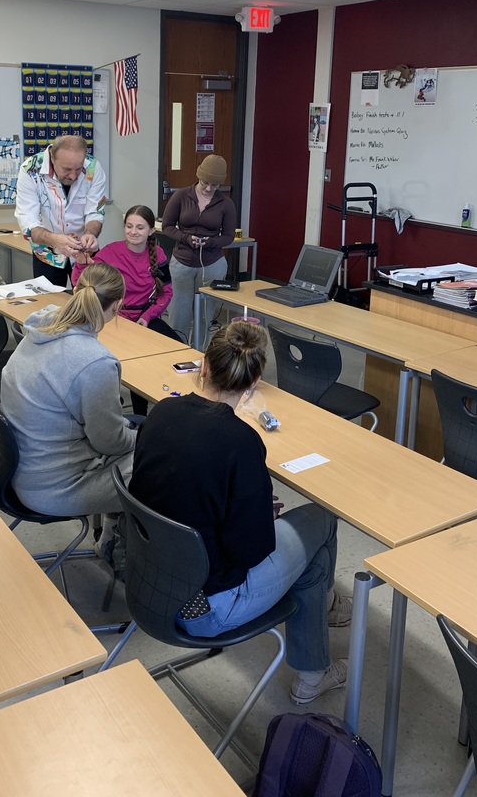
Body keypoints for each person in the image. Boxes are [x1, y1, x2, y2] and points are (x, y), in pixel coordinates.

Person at [130, 321, 351, 706]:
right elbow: (250, 551)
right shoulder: (242, 441)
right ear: (255, 382)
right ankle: (315, 665)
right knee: (321, 521)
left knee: (308, 554)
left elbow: (168, 490)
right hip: (207, 607)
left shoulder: (163, 411)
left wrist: (244, 507)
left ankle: (322, 639)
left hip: (151, 579)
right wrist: (258, 515)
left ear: (203, 366)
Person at [0, 263, 137, 557]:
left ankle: (110, 533)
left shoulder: (41, 325)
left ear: (76, 291)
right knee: (162, 463)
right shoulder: (95, 362)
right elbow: (110, 442)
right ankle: (125, 551)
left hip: (22, 470)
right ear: (117, 307)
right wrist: (144, 437)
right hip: (54, 488)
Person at [71, 204, 179, 415]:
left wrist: (147, 317)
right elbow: (82, 284)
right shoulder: (111, 252)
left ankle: (168, 403)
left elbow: (166, 294)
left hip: (145, 316)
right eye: (129, 226)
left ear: (151, 231)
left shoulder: (158, 254)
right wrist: (81, 264)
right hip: (116, 318)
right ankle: (140, 414)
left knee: (177, 348)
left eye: (140, 227)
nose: (133, 232)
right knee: (136, 364)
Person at [15, 134, 107, 288]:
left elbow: (95, 212)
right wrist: (54, 239)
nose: (73, 176)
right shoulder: (30, 170)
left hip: (83, 253)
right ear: (52, 157)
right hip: (47, 253)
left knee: (90, 303)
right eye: (67, 169)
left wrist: (90, 234)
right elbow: (28, 221)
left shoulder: (93, 167)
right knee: (49, 306)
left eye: (78, 169)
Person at [161, 154, 237, 344]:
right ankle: (176, 351)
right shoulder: (180, 195)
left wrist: (210, 242)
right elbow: (167, 226)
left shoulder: (226, 204)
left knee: (204, 314)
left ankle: (200, 353)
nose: (209, 188)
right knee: (179, 314)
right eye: (205, 183)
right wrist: (186, 238)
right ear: (198, 176)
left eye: (215, 185)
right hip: (182, 263)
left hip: (212, 264)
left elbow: (228, 236)